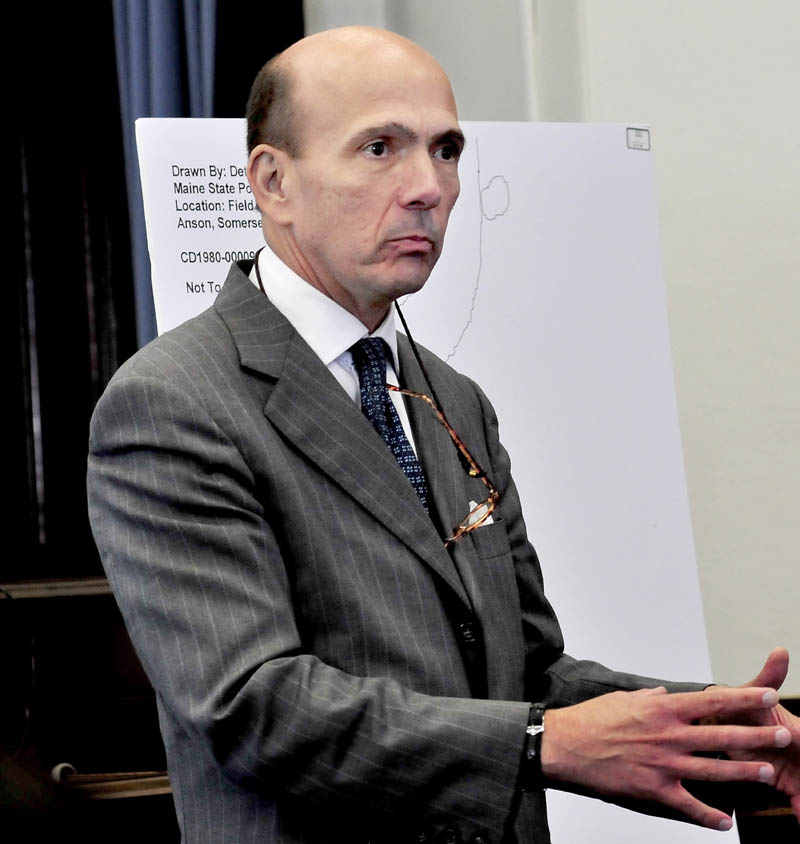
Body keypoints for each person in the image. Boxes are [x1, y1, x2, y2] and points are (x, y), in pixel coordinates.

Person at [87, 26, 799, 844]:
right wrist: (539, 742)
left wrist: (738, 741)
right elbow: (256, 707)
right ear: (273, 182)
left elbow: (525, 670)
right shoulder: (172, 402)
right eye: (380, 147)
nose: (428, 185)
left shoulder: (453, 397)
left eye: (448, 149)